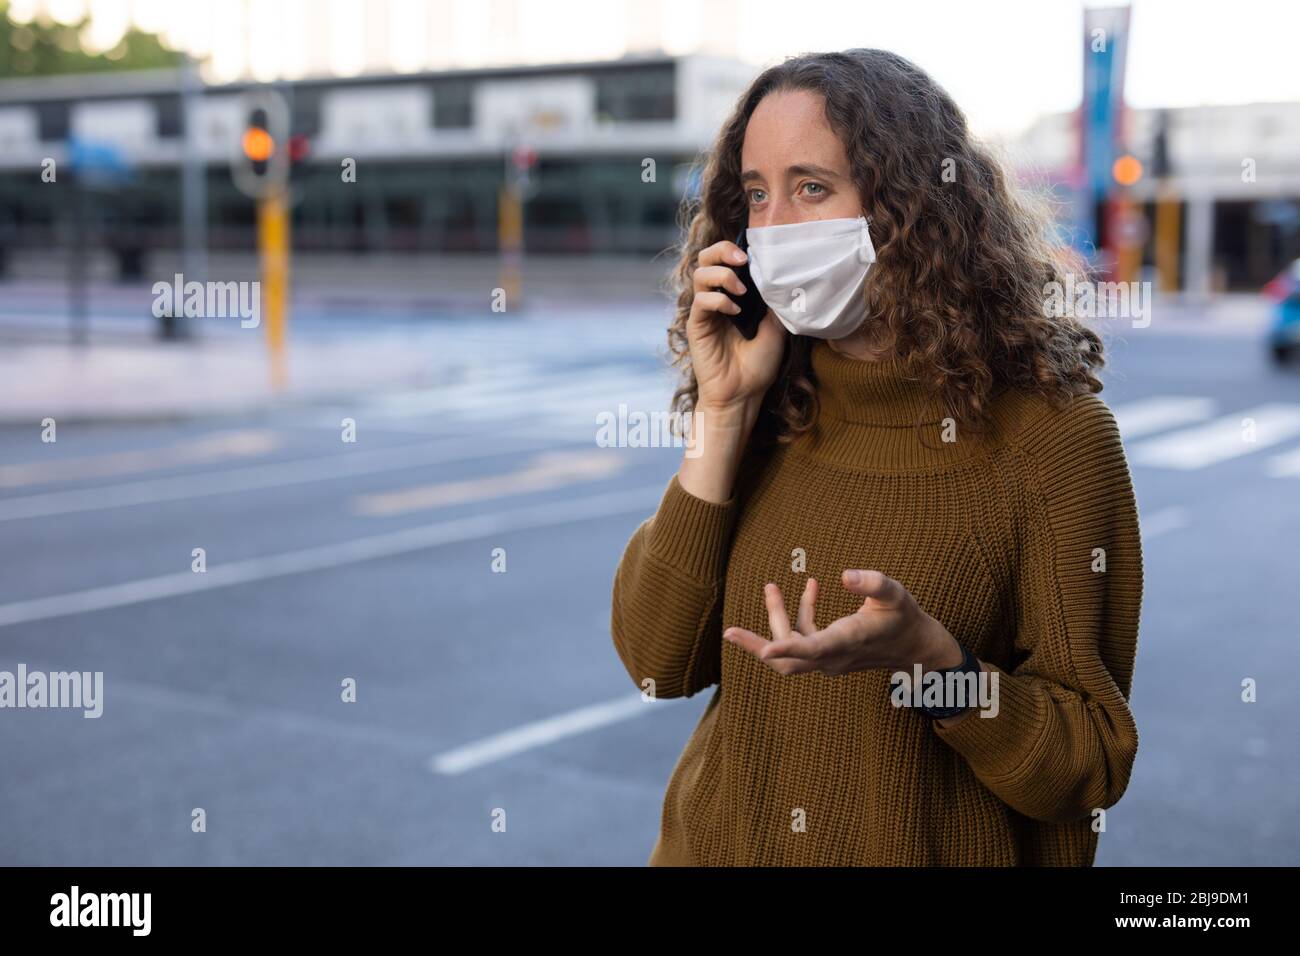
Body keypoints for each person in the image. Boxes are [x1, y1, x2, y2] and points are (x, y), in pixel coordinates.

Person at [609, 49, 1143, 866]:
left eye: (811, 187)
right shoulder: (772, 401)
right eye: (756, 194)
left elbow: (1090, 761)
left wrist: (934, 665)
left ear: (912, 205)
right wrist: (724, 412)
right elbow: (656, 664)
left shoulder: (1053, 438)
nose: (773, 226)